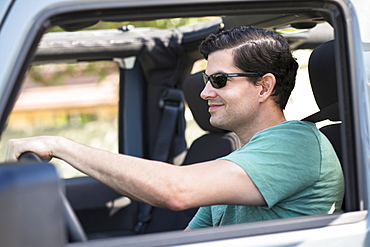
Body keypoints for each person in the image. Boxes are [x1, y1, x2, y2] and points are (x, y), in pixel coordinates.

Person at [6, 27, 344, 229]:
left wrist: (62, 146)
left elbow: (176, 191)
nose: (204, 92)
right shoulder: (245, 157)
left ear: (263, 87)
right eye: (205, 79)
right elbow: (193, 238)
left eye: (219, 80)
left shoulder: (297, 143)